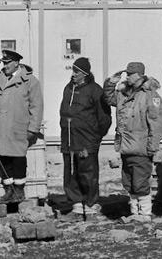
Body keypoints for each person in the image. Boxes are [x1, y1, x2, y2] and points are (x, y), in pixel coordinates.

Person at [0, 48, 43, 204]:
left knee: (18, 158)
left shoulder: (30, 81)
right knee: (3, 157)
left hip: (19, 127)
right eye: (3, 63)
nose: (4, 66)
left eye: (8, 63)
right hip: (1, 127)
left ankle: (19, 191)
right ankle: (9, 191)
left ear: (16, 63)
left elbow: (37, 106)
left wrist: (33, 128)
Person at [104, 61, 162, 219]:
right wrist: (111, 82)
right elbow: (109, 98)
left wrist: (152, 146)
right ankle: (134, 213)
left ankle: (144, 214)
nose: (127, 77)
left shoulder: (150, 95)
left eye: (130, 74)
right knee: (129, 182)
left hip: (141, 146)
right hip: (125, 146)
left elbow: (156, 122)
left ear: (139, 75)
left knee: (140, 182)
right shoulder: (123, 93)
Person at [59, 56, 112, 216]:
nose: (73, 74)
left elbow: (104, 118)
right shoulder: (68, 88)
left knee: (88, 174)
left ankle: (90, 208)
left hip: (86, 142)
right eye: (73, 70)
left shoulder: (95, 90)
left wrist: (95, 138)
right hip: (69, 140)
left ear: (85, 73)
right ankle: (76, 207)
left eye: (77, 71)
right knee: (71, 174)